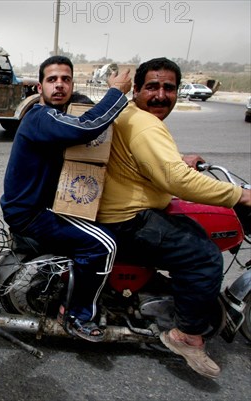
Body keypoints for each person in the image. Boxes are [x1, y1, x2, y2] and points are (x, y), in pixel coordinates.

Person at [97, 57, 251, 378]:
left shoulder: (132, 115)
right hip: (128, 218)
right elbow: (176, 181)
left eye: (169, 87)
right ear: (136, 89)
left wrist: (180, 160)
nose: (161, 94)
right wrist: (241, 195)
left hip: (124, 206)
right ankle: (186, 335)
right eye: (152, 86)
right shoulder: (145, 124)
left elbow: (150, 161)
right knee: (204, 255)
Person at [0, 56, 132, 342]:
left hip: (42, 205)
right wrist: (117, 92)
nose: (59, 85)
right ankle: (77, 315)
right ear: (40, 87)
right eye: (52, 80)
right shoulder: (40, 117)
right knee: (104, 245)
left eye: (65, 79)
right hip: (32, 212)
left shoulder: (59, 115)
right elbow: (85, 128)